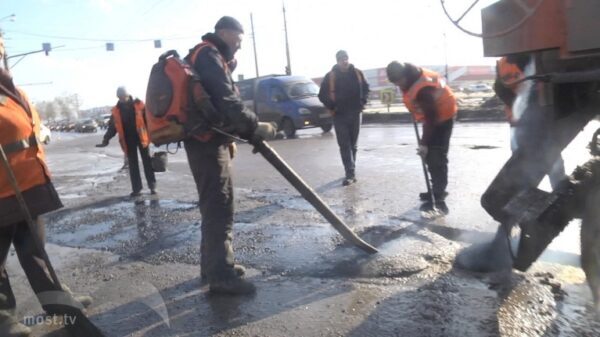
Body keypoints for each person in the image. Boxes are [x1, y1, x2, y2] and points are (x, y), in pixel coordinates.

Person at [0, 34, 90, 337]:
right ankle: (2, 319)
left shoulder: (10, 88)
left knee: (36, 254)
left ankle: (61, 306)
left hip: (27, 187)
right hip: (1, 191)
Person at [183, 16, 275, 295]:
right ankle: (221, 276)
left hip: (205, 140)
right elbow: (226, 100)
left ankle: (213, 266)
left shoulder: (204, 55)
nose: (239, 46)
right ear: (223, 33)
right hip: (206, 143)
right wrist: (253, 124)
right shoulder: (209, 55)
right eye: (237, 39)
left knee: (214, 205)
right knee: (220, 206)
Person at [386, 61, 457, 214]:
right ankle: (435, 190)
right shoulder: (411, 80)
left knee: (436, 157)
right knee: (430, 156)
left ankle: (438, 196)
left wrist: (424, 143)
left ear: (405, 75)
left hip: (443, 117)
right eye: (394, 81)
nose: (398, 84)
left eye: (399, 80)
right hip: (433, 117)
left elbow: (431, 118)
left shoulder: (423, 88)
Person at [495, 55, 566, 189]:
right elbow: (499, 88)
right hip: (519, 121)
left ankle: (560, 189)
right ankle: (523, 191)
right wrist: (520, 105)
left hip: (541, 118)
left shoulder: (538, 59)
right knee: (523, 157)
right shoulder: (502, 64)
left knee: (551, 155)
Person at [318, 50, 370, 186]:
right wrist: (332, 106)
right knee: (344, 145)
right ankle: (350, 173)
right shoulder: (330, 76)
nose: (344, 61)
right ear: (337, 61)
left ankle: (351, 170)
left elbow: (366, 88)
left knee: (353, 145)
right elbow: (321, 95)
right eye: (341, 59)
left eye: (346, 58)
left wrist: (363, 102)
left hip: (356, 113)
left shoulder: (357, 73)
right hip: (339, 115)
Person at [97, 87, 156, 197]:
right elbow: (112, 127)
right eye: (121, 97)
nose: (123, 99)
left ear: (128, 95)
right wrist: (106, 139)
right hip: (128, 140)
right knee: (133, 165)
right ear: (118, 97)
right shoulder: (116, 110)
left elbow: (149, 120)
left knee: (147, 162)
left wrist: (155, 135)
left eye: (124, 97)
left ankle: (152, 186)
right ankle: (137, 189)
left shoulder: (139, 105)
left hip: (142, 138)